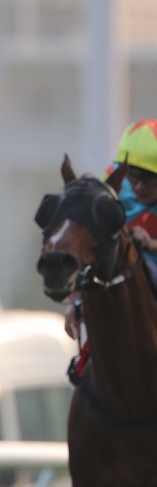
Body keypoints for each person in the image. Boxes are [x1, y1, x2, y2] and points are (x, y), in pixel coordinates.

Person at [64, 119, 157, 338]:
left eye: (150, 178)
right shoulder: (114, 183)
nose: (139, 187)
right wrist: (76, 300)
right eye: (134, 175)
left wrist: (151, 244)